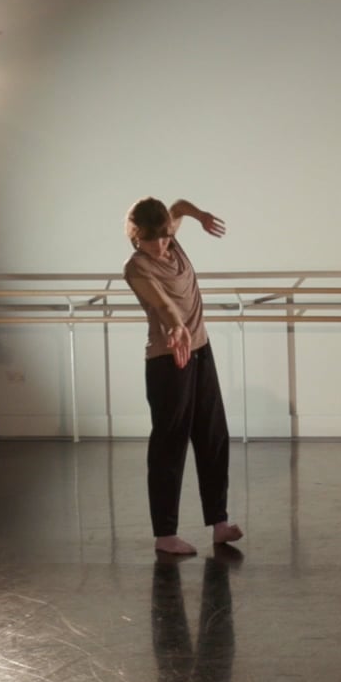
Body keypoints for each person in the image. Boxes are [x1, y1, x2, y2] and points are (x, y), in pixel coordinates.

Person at [122, 197, 246, 555]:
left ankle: (219, 523)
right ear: (136, 236)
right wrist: (176, 326)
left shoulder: (171, 240)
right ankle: (165, 534)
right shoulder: (136, 268)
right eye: (152, 239)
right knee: (170, 444)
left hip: (200, 352)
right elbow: (161, 304)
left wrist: (200, 216)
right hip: (168, 360)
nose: (161, 245)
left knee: (213, 434)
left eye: (165, 235)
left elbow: (177, 205)